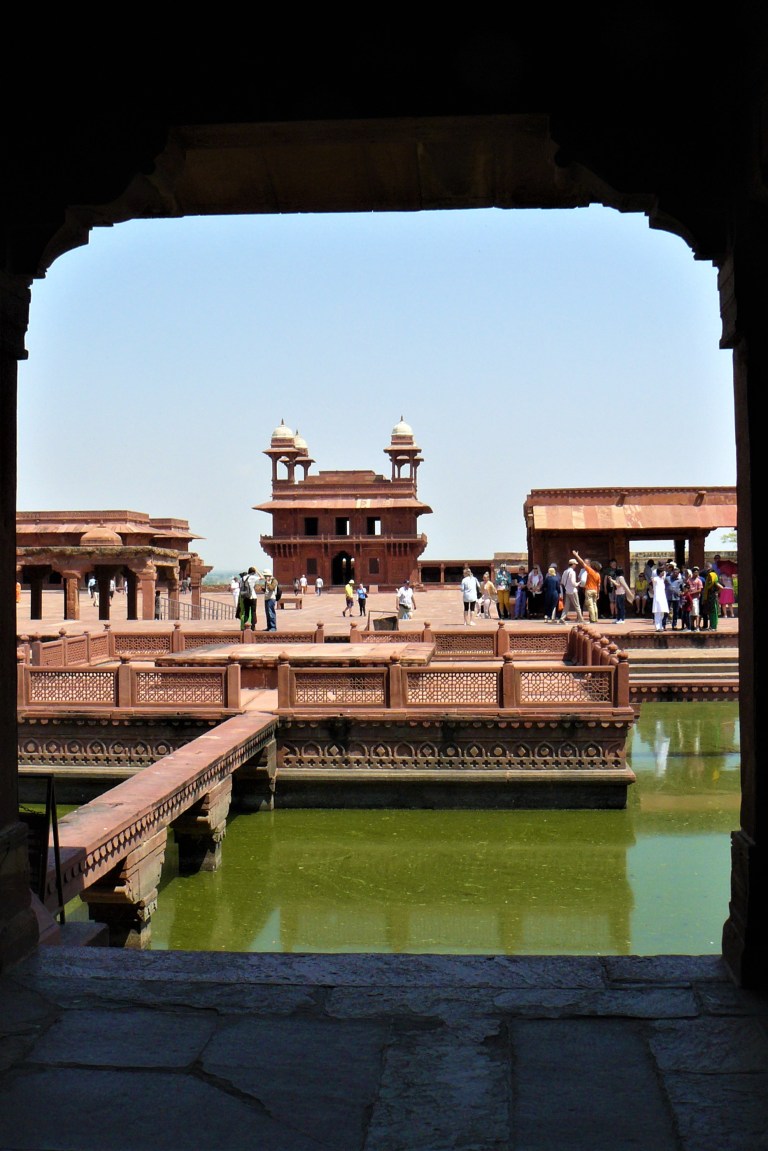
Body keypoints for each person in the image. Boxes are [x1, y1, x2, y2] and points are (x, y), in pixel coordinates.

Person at [572, 550, 602, 624]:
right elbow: (599, 585)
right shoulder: (598, 574)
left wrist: (576, 555)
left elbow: (582, 562)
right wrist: (598, 593)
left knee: (590, 605)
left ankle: (592, 619)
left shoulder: (590, 571)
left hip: (589, 590)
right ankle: (596, 618)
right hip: (595, 590)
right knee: (595, 604)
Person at [559, 558, 583, 623]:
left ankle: (562, 618)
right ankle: (581, 619)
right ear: (573, 564)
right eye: (575, 564)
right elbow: (573, 583)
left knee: (566, 606)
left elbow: (562, 582)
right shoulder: (572, 572)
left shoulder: (565, 571)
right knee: (577, 605)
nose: (575, 565)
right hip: (573, 591)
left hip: (567, 591)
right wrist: (578, 583)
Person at [650, 565, 669, 631]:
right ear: (659, 573)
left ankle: (660, 626)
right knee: (657, 613)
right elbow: (652, 578)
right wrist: (658, 570)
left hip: (663, 597)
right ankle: (657, 627)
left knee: (662, 613)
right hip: (657, 598)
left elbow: (665, 574)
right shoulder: (655, 579)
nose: (663, 573)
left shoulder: (662, 579)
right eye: (662, 572)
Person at [687, 566, 703, 630]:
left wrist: (692, 593)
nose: (696, 574)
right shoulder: (689, 580)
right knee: (691, 613)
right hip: (689, 598)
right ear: (692, 573)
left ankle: (697, 626)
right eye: (695, 573)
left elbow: (700, 590)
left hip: (695, 598)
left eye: (697, 572)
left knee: (696, 613)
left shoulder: (699, 580)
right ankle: (692, 626)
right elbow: (686, 588)